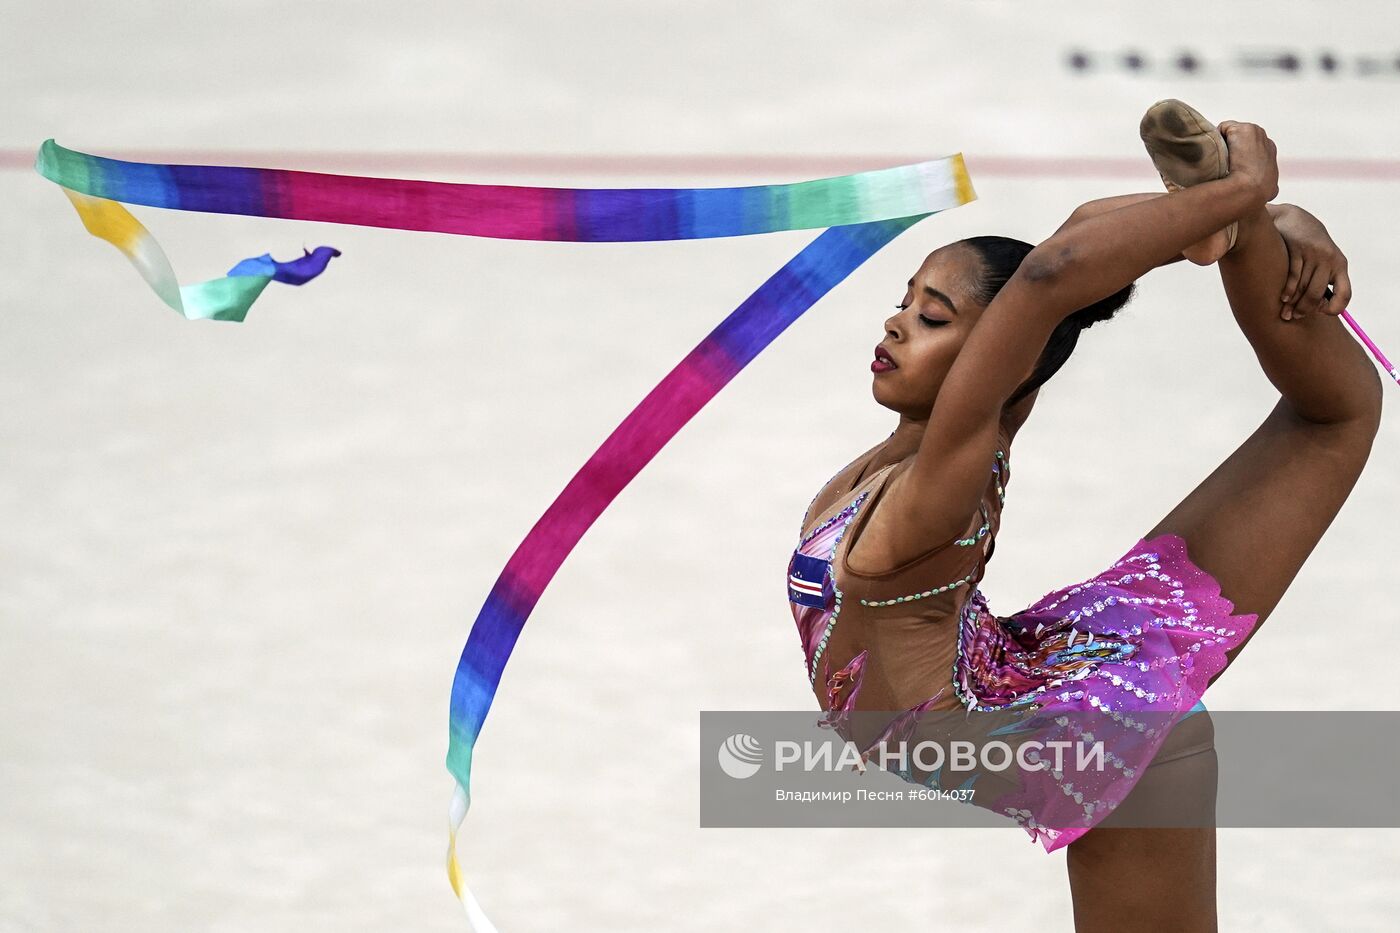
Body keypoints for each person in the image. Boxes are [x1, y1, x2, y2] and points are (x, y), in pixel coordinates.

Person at [786, 101, 1381, 933]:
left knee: (1336, 416)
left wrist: (1256, 193)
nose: (895, 323)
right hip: (1016, 682)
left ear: (1000, 361)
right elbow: (1070, 248)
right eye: (905, 303)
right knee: (1334, 417)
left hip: (1079, 728)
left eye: (931, 318)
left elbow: (1052, 277)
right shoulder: (924, 451)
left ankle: (1243, 229)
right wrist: (1247, 211)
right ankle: (1242, 232)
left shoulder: (945, 475)